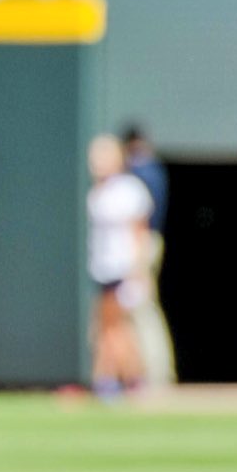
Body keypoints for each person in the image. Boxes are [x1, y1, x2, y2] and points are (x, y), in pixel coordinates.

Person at [87, 134, 152, 403]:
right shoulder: (96, 192)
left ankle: (115, 380)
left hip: (123, 268)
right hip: (102, 268)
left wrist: (138, 270)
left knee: (115, 326)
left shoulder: (130, 189)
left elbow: (139, 232)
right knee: (108, 326)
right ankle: (124, 379)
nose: (97, 162)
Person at [120, 123, 177, 390]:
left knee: (142, 307)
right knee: (136, 308)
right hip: (146, 242)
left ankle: (156, 375)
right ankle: (146, 372)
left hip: (142, 243)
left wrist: (137, 258)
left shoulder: (142, 171)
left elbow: (139, 219)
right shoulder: (154, 168)